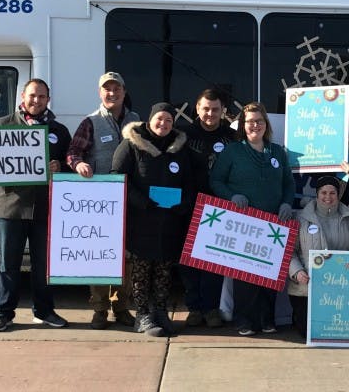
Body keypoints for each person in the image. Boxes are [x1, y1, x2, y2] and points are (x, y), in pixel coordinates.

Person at [0, 78, 71, 332]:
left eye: (42, 97)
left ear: (48, 99)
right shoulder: (2, 126)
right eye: (33, 95)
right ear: (23, 96)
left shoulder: (59, 130)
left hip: (45, 208)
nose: (37, 101)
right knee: (9, 265)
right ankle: (3, 314)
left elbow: (70, 164)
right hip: (10, 208)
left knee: (43, 265)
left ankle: (44, 311)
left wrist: (60, 167)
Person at [110, 102, 198, 338]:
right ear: (150, 120)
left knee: (163, 270)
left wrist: (184, 204)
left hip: (170, 222)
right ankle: (142, 314)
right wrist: (143, 202)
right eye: (159, 119)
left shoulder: (180, 148)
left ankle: (160, 311)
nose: (163, 124)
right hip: (141, 221)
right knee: (141, 270)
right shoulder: (131, 144)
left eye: (169, 120)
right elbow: (118, 178)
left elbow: (190, 182)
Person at [209, 102, 295, 336]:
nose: (255, 125)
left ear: (266, 124)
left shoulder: (277, 151)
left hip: (272, 222)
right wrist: (232, 195)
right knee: (245, 275)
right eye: (250, 122)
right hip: (244, 223)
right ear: (242, 126)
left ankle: (267, 319)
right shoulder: (233, 151)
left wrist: (287, 202)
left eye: (259, 121)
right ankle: (243, 320)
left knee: (269, 273)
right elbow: (216, 180)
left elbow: (288, 182)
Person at [66, 72, 140, 329]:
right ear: (100, 93)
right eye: (106, 89)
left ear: (123, 91)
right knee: (100, 257)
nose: (112, 93)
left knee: (125, 257)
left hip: (129, 199)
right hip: (99, 200)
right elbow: (73, 152)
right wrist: (79, 164)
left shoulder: (136, 121)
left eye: (116, 89)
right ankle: (100, 309)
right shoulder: (90, 122)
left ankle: (120, 306)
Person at [179, 88, 237, 328]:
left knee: (214, 259)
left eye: (215, 109)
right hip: (189, 205)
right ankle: (194, 308)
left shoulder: (231, 137)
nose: (210, 114)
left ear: (222, 110)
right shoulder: (183, 134)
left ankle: (211, 308)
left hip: (219, 206)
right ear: (197, 108)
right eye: (206, 108)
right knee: (189, 260)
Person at [287, 176, 349, 337]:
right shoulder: (301, 219)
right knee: (309, 331)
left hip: (342, 289)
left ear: (338, 195)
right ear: (317, 194)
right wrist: (298, 272)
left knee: (338, 331)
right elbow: (290, 252)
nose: (327, 197)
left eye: (332, 193)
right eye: (323, 193)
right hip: (307, 287)